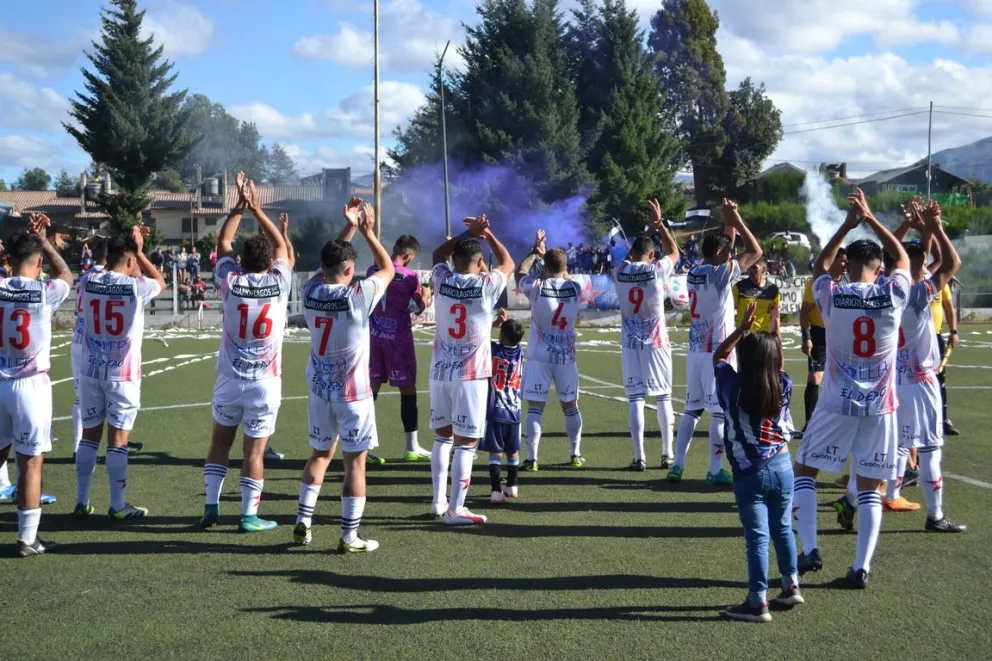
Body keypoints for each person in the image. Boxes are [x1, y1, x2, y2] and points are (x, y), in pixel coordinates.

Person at [792, 189, 910, 589]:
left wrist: (848, 223)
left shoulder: (833, 294)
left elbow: (820, 265)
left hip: (835, 402)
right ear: (879, 268)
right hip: (880, 407)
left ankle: (810, 549)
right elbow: (903, 259)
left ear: (850, 264)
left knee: (804, 472)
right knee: (871, 487)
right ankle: (861, 567)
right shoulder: (893, 294)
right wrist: (872, 218)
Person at [294, 199, 393, 551]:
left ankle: (304, 522)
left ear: (322, 267)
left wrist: (348, 229)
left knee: (319, 455)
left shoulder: (310, 290)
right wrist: (367, 231)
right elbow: (388, 268)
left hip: (320, 390)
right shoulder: (358, 295)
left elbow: (333, 261)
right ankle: (349, 536)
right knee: (355, 465)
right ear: (351, 269)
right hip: (354, 395)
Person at [200, 173, 290, 533]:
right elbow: (281, 244)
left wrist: (239, 206)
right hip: (265, 382)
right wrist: (257, 207)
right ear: (269, 262)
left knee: (218, 444)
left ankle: (210, 506)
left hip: (229, 378)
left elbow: (223, 240)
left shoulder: (231, 280)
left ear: (241, 260)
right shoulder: (279, 282)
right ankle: (249, 516)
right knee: (254, 452)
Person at [715, 302, 802, 622]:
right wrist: (774, 329)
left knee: (757, 538)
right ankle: (791, 584)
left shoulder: (733, 387)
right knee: (783, 529)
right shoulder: (784, 383)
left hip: (750, 472)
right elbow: (777, 363)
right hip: (783, 465)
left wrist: (741, 329)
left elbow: (719, 357)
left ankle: (758, 601)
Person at [882, 201, 964, 529]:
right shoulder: (918, 295)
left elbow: (903, 257)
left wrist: (919, 229)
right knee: (930, 448)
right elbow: (951, 262)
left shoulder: (885, 289)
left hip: (894, 379)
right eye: (920, 261)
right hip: (921, 380)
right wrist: (936, 227)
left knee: (901, 442)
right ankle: (936, 515)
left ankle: (879, 496)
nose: (925, 263)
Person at [75, 225, 165, 520]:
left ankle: (81, 500)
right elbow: (159, 281)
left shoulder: (88, 279)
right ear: (130, 261)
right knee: (118, 440)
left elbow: (105, 268)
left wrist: (127, 253)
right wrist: (141, 252)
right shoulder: (136, 287)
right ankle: (117, 505)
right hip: (122, 375)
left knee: (89, 437)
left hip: (90, 370)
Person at [670, 199, 763, 485]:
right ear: (720, 254)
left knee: (692, 410)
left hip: (696, 351)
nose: (731, 254)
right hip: (719, 351)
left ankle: (677, 465)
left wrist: (728, 221)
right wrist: (738, 220)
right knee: (720, 412)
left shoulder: (695, 271)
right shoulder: (721, 274)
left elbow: (726, 247)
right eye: (728, 252)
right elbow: (756, 252)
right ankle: (714, 469)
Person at [428, 215, 514, 525]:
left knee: (442, 439)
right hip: (470, 375)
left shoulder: (442, 279)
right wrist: (487, 233)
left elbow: (437, 254)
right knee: (466, 443)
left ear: (454, 261)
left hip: (439, 372)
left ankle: (438, 501)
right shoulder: (485, 285)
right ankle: (456, 509)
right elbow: (507, 263)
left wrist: (469, 232)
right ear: (479, 263)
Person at [0, 215, 72, 555]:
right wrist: (44, 240)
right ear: (39, 261)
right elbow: (66, 275)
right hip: (30, 386)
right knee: (30, 463)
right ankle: (27, 539)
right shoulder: (44, 292)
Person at [613, 200, 680, 470]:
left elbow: (632, 255)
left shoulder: (620, 271)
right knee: (663, 396)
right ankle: (667, 453)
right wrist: (659, 225)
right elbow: (674, 252)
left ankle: (639, 456)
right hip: (656, 342)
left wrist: (648, 231)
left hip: (630, 343)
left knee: (636, 398)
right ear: (652, 255)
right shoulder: (657, 270)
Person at [516, 230, 584, 470]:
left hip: (539, 355)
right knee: (571, 406)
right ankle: (575, 454)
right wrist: (557, 267)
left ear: (545, 268)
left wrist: (535, 252)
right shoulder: (575, 287)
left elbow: (519, 273)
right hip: (566, 357)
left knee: (535, 407)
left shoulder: (536, 285)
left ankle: (532, 458)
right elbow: (564, 275)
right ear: (565, 268)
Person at [366, 232, 434, 464]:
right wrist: (427, 295)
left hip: (374, 337)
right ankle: (411, 447)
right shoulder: (409, 276)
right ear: (409, 255)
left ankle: (363, 447)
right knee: (407, 389)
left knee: (370, 390)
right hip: (398, 340)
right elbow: (419, 307)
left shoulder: (373, 269)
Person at [799, 248, 848, 430]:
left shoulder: (849, 282)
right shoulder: (816, 283)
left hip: (842, 335)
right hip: (819, 334)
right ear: (832, 261)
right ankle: (810, 423)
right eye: (842, 260)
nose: (846, 265)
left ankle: (840, 422)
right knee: (815, 378)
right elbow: (804, 312)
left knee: (842, 379)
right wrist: (806, 337)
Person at [482, 309, 524, 503]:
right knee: (512, 450)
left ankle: (496, 490)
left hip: (496, 409)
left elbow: (481, 337)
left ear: (502, 336)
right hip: (514, 409)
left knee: (495, 452)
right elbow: (513, 336)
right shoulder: (520, 352)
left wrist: (496, 323)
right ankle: (513, 485)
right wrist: (507, 324)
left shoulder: (495, 351)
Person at [932, 280, 960, 436]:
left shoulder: (940, 281)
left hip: (936, 338)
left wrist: (953, 331)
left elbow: (948, 307)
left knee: (940, 379)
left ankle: (943, 420)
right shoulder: (911, 279)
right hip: (913, 338)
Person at [733, 257, 780, 334]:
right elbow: (729, 313)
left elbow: (776, 318)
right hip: (744, 336)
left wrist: (778, 338)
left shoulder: (773, 290)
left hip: (764, 337)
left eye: (754, 267)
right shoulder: (738, 288)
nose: (750, 270)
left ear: (764, 269)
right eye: (749, 267)